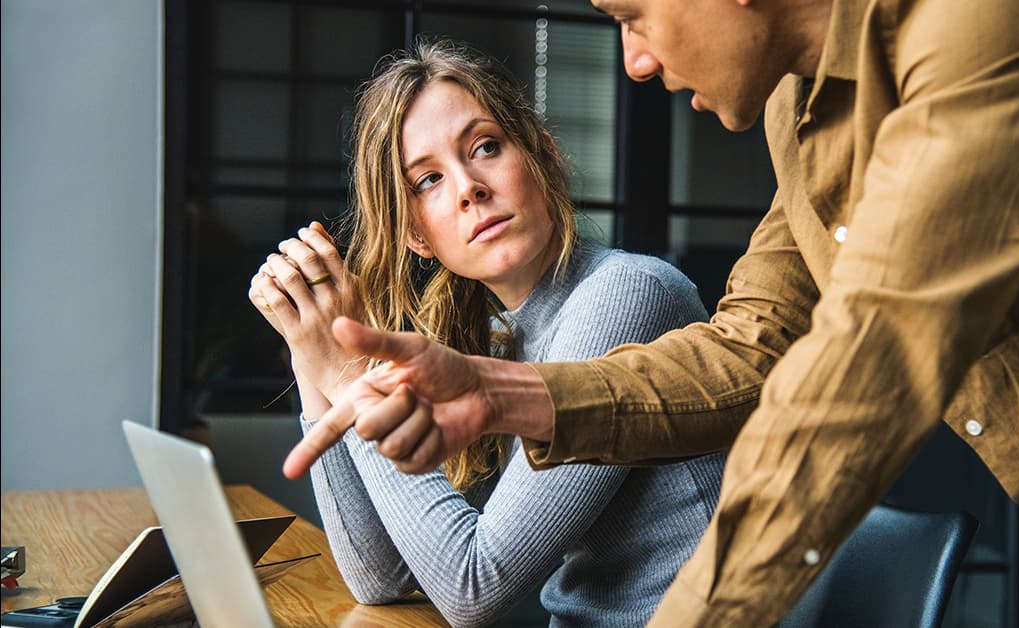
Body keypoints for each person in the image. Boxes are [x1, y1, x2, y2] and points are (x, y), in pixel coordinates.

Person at [286, 1, 1019, 626]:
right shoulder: (802, 113)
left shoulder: (991, 24)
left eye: (634, 16)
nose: (635, 59)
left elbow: (868, 364)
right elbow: (750, 346)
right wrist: (498, 390)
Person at [251, 39, 725, 627]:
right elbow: (383, 578)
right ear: (417, 237)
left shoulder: (628, 294)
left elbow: (472, 590)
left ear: (544, 158)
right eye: (427, 180)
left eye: (485, 147)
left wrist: (347, 374)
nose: (468, 187)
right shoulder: (497, 335)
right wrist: (310, 349)